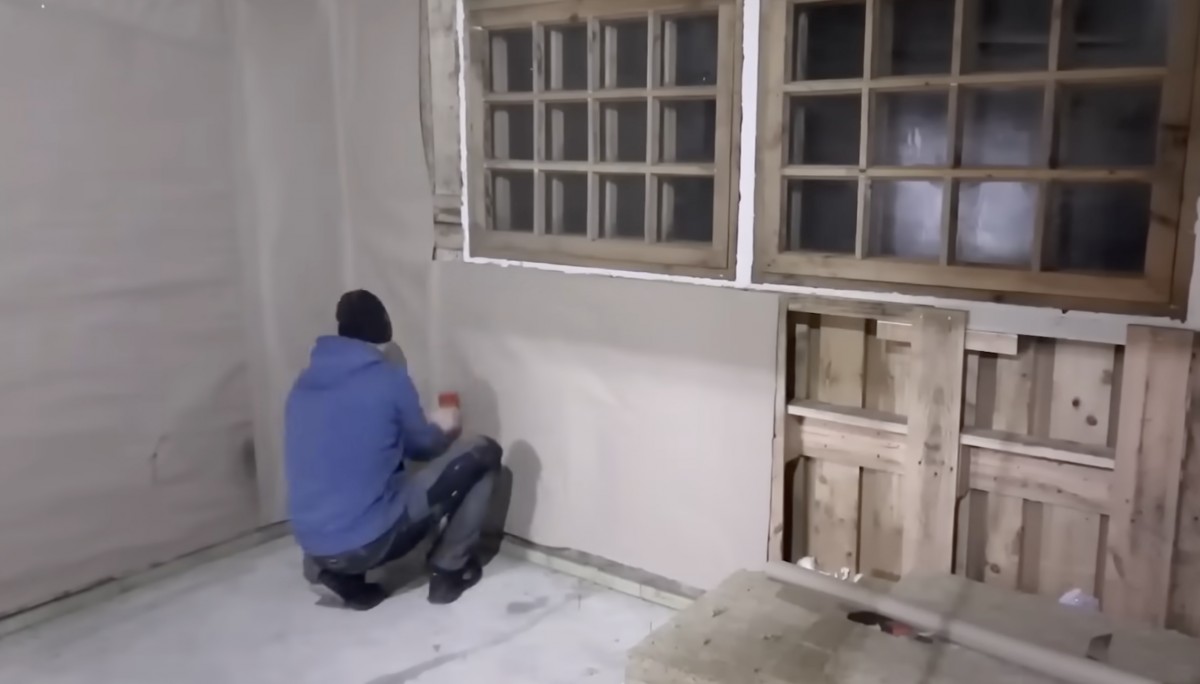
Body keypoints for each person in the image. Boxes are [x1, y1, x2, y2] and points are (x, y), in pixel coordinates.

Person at [284, 290, 502, 610]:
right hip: (368, 543)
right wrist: (444, 426)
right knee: (484, 452)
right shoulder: (389, 379)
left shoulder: (303, 384)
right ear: (383, 329)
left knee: (343, 489)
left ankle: (334, 575)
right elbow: (423, 448)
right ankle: (449, 570)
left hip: (313, 544)